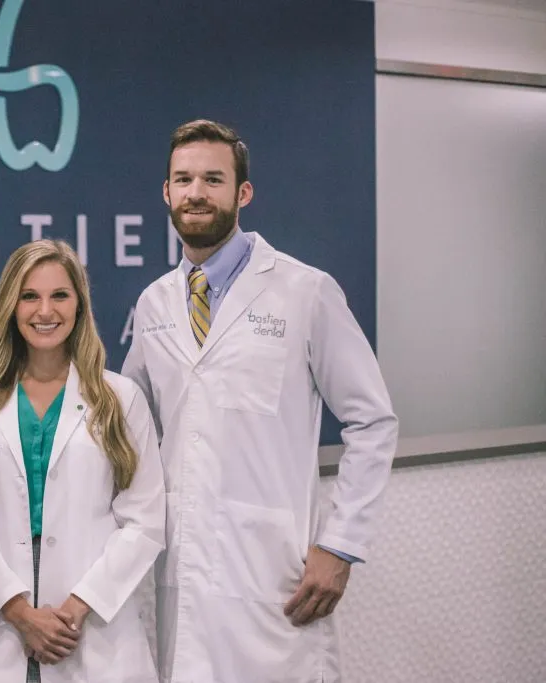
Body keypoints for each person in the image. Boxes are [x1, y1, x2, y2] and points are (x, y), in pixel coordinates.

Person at [122, 120, 399, 682]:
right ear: (166, 193)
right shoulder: (154, 304)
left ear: (242, 194)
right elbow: (128, 421)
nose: (196, 192)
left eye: (213, 179)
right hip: (183, 569)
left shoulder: (305, 292)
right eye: (184, 179)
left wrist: (340, 545)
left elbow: (372, 421)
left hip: (276, 572)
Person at [0, 240, 165, 683]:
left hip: (94, 619)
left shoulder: (119, 398)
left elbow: (146, 520)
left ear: (80, 305)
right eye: (30, 296)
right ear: (10, 306)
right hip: (4, 616)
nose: (46, 310)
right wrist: (19, 611)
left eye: (60, 295)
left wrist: (78, 607)